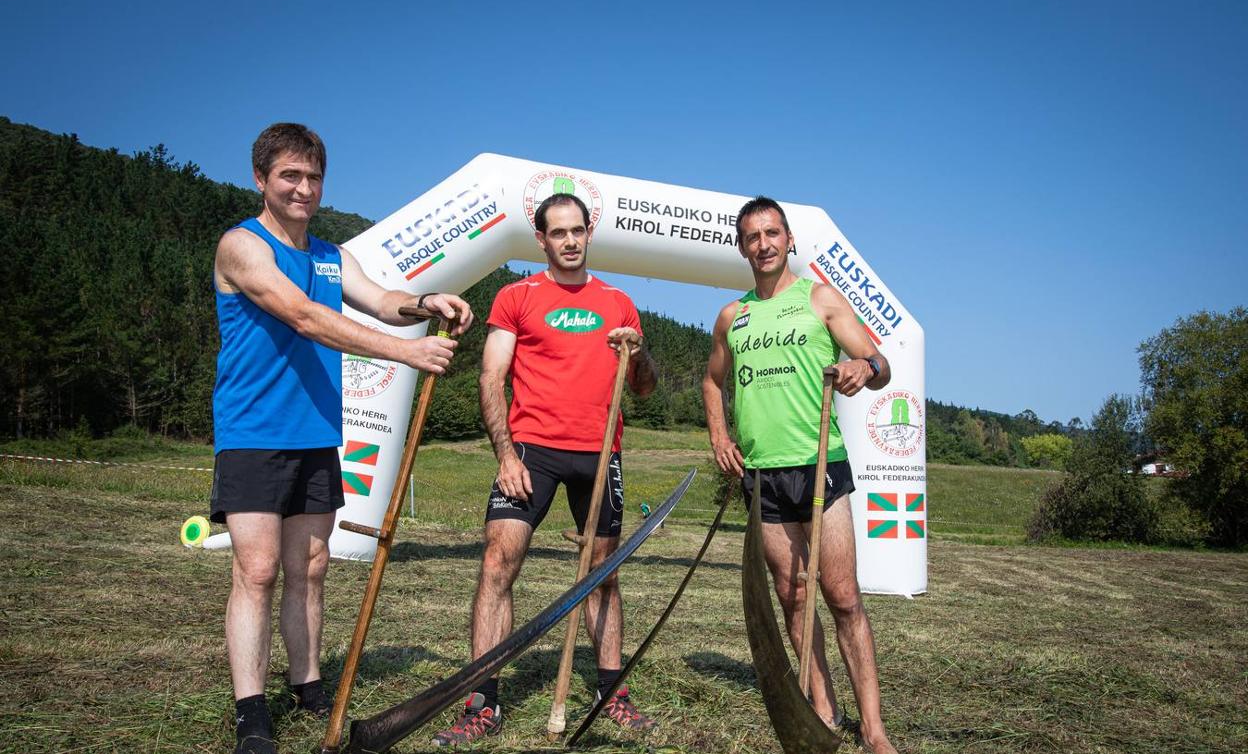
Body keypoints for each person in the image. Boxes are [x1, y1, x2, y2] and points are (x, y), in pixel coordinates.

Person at [211, 122, 473, 754]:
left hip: (316, 433)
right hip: (253, 433)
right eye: (289, 177)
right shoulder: (242, 247)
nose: (302, 189)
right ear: (261, 181)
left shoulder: (331, 256)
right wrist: (406, 355)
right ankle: (251, 710)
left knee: (312, 565)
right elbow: (306, 317)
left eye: (312, 177)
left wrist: (427, 302)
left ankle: (307, 683)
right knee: (258, 569)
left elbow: (383, 301)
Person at [431, 193, 659, 746]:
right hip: (532, 450)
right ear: (542, 239)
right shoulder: (517, 296)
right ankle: (482, 700)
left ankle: (612, 693)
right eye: (559, 232)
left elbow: (645, 387)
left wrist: (638, 352)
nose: (570, 240)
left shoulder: (619, 302)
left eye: (578, 230)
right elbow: (492, 378)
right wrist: (505, 456)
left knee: (603, 574)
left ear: (588, 232)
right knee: (497, 563)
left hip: (601, 452)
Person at [702, 197, 898, 754]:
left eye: (771, 233)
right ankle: (824, 713)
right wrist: (719, 435)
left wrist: (864, 366)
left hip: (819, 467)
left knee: (841, 597)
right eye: (751, 237)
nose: (762, 244)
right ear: (742, 247)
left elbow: (880, 364)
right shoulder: (732, 317)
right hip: (763, 477)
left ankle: (876, 730)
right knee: (792, 598)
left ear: (788, 240)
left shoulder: (820, 299)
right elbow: (713, 383)